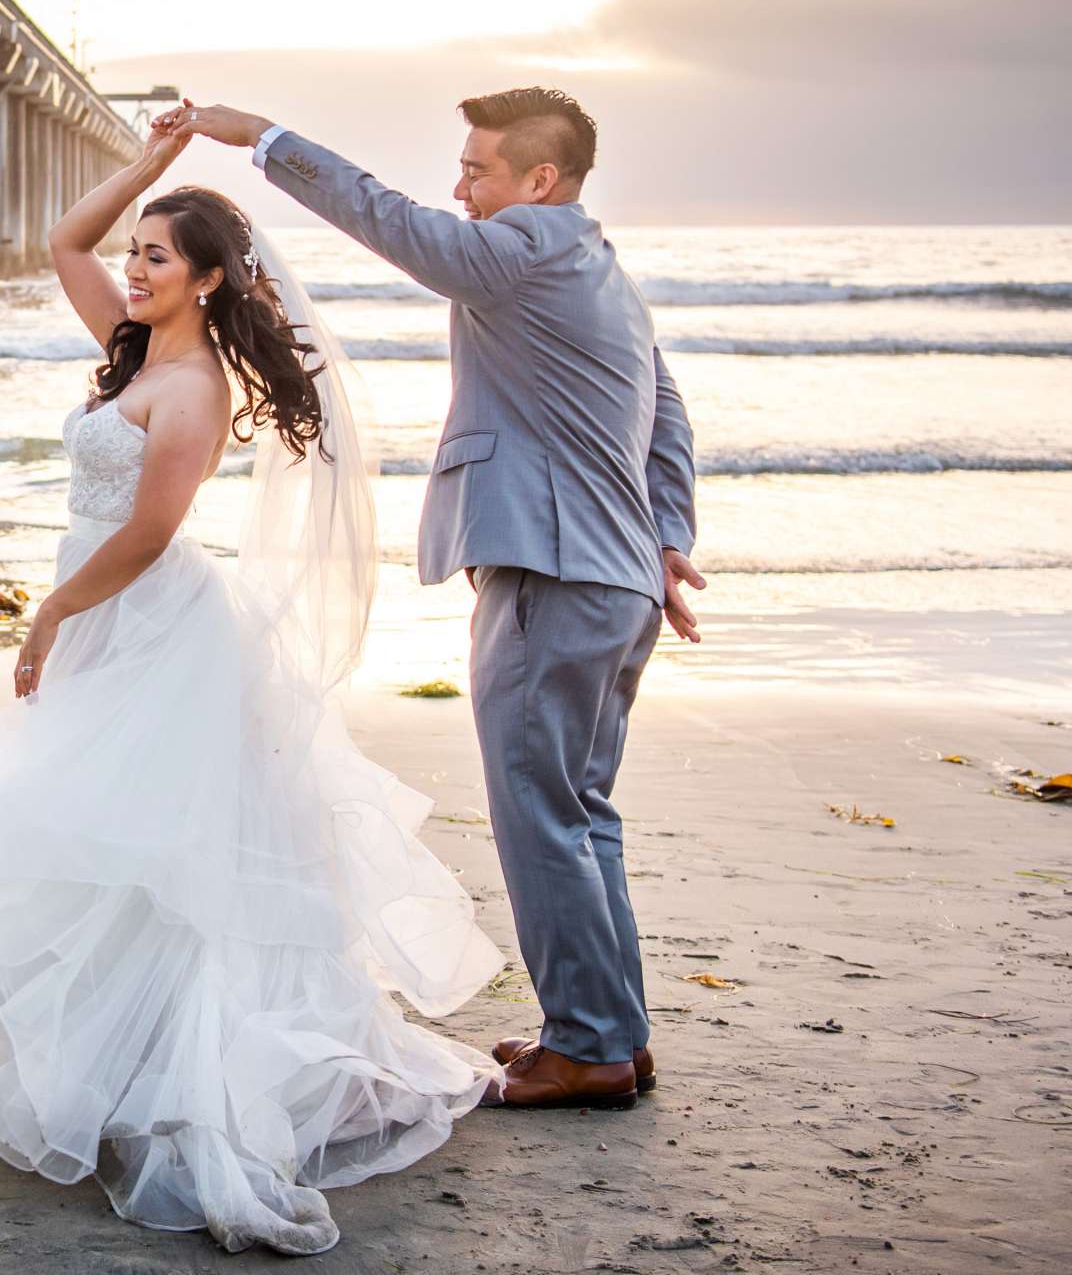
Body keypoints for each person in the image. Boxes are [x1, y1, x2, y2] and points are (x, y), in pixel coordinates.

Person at [0, 121, 502, 1256]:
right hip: (105, 612)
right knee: (92, 820)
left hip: (143, 617)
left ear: (210, 282)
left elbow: (153, 529)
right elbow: (63, 240)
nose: (135, 265)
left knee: (161, 844)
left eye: (162, 256)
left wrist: (55, 610)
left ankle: (157, 1064)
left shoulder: (194, 388)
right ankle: (102, 1046)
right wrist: (155, 167)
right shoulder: (130, 342)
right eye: (143, 252)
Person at [170, 90, 701, 1111]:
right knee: (583, 813)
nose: (459, 187)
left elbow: (395, 224)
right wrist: (668, 533)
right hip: (615, 575)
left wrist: (263, 140)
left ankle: (587, 1045)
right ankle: (607, 1032)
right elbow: (666, 408)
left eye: (478, 170)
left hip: (553, 571)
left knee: (540, 813)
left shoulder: (524, 247)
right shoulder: (597, 264)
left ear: (538, 181)